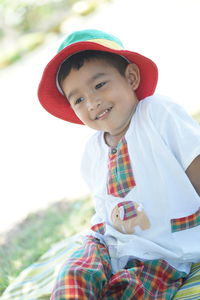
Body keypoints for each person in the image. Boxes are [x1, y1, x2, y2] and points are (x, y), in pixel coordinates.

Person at [38, 29, 200, 299]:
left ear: (131, 77)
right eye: (78, 99)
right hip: (107, 245)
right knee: (73, 276)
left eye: (100, 85)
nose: (92, 102)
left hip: (161, 251)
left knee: (130, 290)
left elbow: (194, 162)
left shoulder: (157, 113)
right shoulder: (92, 151)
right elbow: (104, 207)